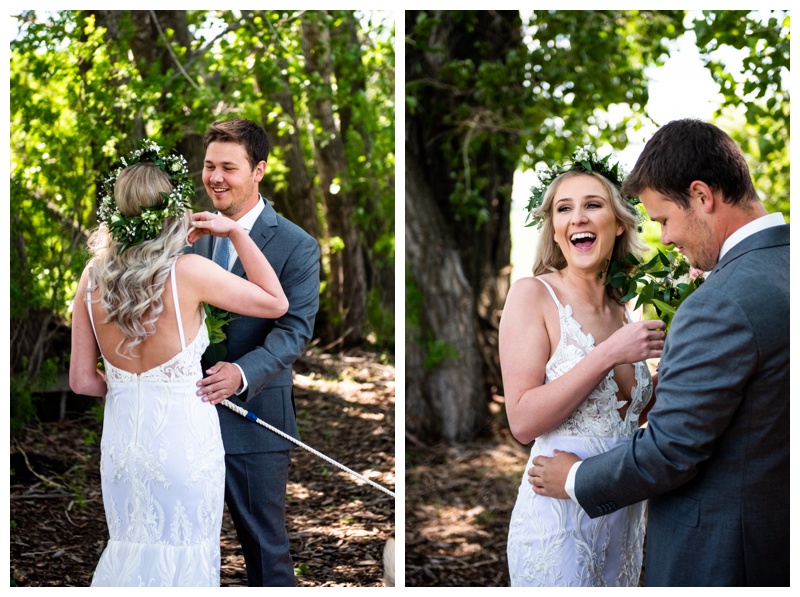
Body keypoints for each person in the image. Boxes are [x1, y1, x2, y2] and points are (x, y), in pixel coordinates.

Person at [529, 119, 789, 586]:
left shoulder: (721, 301)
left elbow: (672, 448)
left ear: (702, 196)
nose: (665, 238)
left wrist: (574, 478)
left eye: (665, 219)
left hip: (722, 553)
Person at [69, 140, 289, 586]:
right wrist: (236, 233)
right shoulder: (187, 273)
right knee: (186, 557)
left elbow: (80, 382)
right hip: (183, 446)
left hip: (124, 448)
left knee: (129, 550)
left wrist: (130, 386)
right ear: (171, 208)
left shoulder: (91, 277)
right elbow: (275, 302)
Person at [500, 146, 666, 586]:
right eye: (564, 208)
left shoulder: (626, 309)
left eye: (593, 205)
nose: (578, 218)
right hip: (558, 520)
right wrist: (609, 353)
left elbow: (626, 419)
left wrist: (668, 376)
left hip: (623, 514)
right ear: (554, 230)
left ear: (618, 223)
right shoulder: (532, 296)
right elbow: (522, 420)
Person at [187, 118, 320, 587]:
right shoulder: (183, 235)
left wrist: (242, 374)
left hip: (255, 414)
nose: (215, 178)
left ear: (259, 170)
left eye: (229, 167)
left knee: (264, 549)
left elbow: (295, 328)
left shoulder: (297, 245)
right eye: (209, 166)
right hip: (182, 413)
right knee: (185, 544)